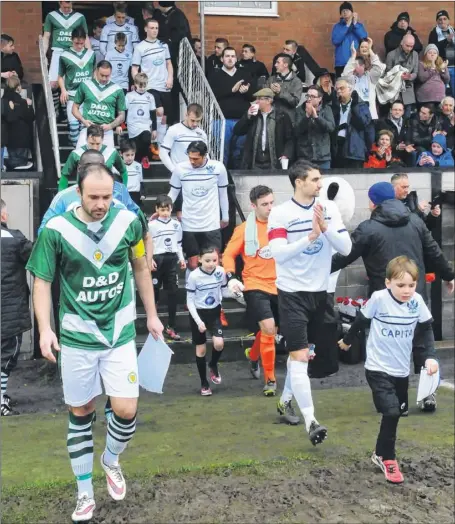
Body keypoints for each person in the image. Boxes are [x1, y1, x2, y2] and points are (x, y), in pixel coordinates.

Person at [26, 163, 163, 522]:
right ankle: (84, 493)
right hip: (76, 337)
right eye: (94, 197)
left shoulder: (128, 222)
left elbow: (139, 268)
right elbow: (41, 281)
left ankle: (111, 460)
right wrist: (45, 328)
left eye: (107, 196)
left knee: (126, 409)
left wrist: (151, 314)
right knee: (81, 411)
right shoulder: (55, 230)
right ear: (78, 192)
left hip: (118, 333)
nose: (101, 203)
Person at [331, 181, 454, 412]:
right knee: (422, 344)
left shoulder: (368, 228)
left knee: (387, 347)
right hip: (414, 293)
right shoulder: (416, 221)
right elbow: (434, 251)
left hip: (384, 298)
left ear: (371, 203)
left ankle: (393, 398)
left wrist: (312, 272)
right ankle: (427, 394)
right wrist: (449, 275)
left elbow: (343, 257)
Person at [268, 160, 352, 440]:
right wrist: (310, 236)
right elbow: (278, 253)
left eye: (320, 178)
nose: (320, 184)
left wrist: (325, 229)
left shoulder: (328, 208)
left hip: (321, 295)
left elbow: (347, 247)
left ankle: (286, 397)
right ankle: (311, 421)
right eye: (315, 179)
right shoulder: (280, 214)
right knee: (300, 355)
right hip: (292, 294)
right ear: (298, 182)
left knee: (319, 360)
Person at [339, 256, 438, 484]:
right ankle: (389, 459)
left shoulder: (417, 302)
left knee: (397, 413)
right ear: (388, 283)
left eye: (411, 285)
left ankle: (378, 454)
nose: (406, 290)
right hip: (377, 367)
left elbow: (426, 329)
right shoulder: (379, 299)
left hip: (401, 370)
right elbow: (361, 320)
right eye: (400, 285)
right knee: (391, 412)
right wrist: (347, 340)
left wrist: (430, 357)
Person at [223, 186, 279, 397]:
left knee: (270, 331)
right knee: (268, 326)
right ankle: (271, 379)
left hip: (281, 284)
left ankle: (253, 356)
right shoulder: (244, 229)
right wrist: (230, 276)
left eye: (272, 202)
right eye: (265, 204)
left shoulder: (281, 225)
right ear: (253, 206)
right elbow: (228, 255)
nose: (270, 208)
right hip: (254, 285)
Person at [168, 141, 229, 273]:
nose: (192, 161)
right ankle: (192, 292)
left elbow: (223, 194)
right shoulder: (180, 169)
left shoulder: (218, 168)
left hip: (211, 223)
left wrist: (225, 216)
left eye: (196, 158)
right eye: (190, 158)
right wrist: (162, 211)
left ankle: (215, 291)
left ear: (204, 156)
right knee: (194, 265)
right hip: (189, 224)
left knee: (213, 262)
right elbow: (172, 193)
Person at [1, 199, 33, 416]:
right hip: (8, 310)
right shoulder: (15, 239)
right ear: (3, 216)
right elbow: (37, 257)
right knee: (6, 355)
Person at [186, 246, 227, 396]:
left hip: (214, 312)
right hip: (198, 314)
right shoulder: (194, 276)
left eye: (214, 260)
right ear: (200, 260)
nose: (211, 264)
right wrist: (198, 321)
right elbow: (189, 301)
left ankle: (213, 365)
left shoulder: (220, 272)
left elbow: (224, 291)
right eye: (207, 260)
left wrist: (236, 292)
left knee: (219, 343)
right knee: (201, 349)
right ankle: (204, 383)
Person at [43, 2, 90, 118]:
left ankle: (67, 111)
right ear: (59, 2)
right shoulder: (51, 16)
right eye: (64, 6)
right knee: (53, 84)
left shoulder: (79, 17)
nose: (67, 8)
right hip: (58, 51)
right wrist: (43, 54)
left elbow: (86, 37)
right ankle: (55, 112)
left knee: (71, 83)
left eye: (69, 6)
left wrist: (89, 54)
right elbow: (46, 36)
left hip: (73, 52)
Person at [149, 194, 186, 342]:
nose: (165, 213)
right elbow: (147, 244)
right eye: (162, 209)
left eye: (167, 209)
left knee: (173, 293)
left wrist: (181, 259)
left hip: (171, 260)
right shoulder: (151, 225)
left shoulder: (176, 225)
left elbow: (178, 243)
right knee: (155, 292)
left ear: (171, 209)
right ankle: (153, 324)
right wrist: (150, 259)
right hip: (157, 260)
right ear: (157, 209)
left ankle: (171, 326)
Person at [132, 18, 173, 149]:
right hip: (150, 86)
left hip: (164, 85)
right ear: (146, 29)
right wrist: (139, 83)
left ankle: (160, 147)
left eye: (156, 28)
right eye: (152, 28)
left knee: (165, 117)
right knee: (158, 112)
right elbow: (134, 68)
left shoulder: (163, 45)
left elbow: (169, 63)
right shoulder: (140, 47)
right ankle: (152, 143)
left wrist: (170, 78)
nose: (154, 30)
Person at [208, 47, 252, 165]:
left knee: (239, 152)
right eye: (227, 56)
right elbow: (211, 96)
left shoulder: (245, 74)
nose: (230, 59)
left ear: (236, 59)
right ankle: (223, 181)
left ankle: (235, 181)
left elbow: (253, 96)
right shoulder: (214, 75)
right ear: (222, 59)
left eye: (233, 56)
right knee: (222, 153)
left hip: (242, 120)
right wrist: (231, 90)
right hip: (221, 121)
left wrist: (246, 91)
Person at [233, 87, 294, 170]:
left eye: (260, 99)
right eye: (256, 99)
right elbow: (237, 131)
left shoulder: (282, 116)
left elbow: (290, 139)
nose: (256, 101)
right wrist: (247, 116)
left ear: (269, 101)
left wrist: (286, 154)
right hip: (255, 162)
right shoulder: (252, 116)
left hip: (274, 162)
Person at [72, 60, 126, 148]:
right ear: (96, 71)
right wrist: (83, 121)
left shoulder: (117, 89)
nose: (104, 78)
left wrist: (110, 126)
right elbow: (74, 108)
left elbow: (122, 115)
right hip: (88, 129)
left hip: (106, 131)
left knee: (107, 161)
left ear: (111, 73)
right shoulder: (85, 85)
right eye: (102, 75)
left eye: (107, 76)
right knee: (80, 158)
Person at [58, 27, 96, 147]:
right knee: (74, 126)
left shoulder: (91, 54)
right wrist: (63, 90)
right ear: (71, 40)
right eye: (76, 43)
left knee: (84, 126)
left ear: (85, 40)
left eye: (81, 43)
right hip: (72, 95)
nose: (79, 46)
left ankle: (79, 151)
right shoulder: (65, 55)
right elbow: (60, 76)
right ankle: (75, 148)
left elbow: (95, 72)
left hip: (87, 95)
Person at [59, 125, 127, 190]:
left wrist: (124, 190)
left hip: (105, 194)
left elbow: (123, 171)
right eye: (91, 143)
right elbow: (65, 175)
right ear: (86, 139)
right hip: (83, 196)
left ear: (102, 139)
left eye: (98, 144)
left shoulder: (112, 152)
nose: (95, 147)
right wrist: (61, 194)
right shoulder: (76, 154)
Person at [333, 77, 374, 168]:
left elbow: (364, 125)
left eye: (342, 88)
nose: (339, 91)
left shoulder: (361, 106)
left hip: (354, 150)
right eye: (337, 89)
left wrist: (354, 107)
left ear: (350, 89)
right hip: (336, 150)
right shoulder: (333, 106)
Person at [342, 38, 385, 120]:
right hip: (355, 116)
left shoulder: (370, 76)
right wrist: (353, 55)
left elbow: (378, 69)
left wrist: (370, 50)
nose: (353, 67)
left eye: (355, 65)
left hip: (370, 114)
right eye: (362, 47)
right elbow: (345, 75)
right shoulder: (352, 78)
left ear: (363, 66)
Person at [295, 84, 335, 169]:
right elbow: (296, 131)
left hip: (323, 157)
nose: (309, 99)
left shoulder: (327, 109)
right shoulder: (299, 110)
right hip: (304, 157)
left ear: (320, 98)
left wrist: (316, 117)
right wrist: (307, 116)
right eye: (307, 96)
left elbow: (331, 128)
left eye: (312, 96)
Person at [159, 103, 207, 173]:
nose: (195, 124)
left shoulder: (202, 133)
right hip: (180, 173)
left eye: (198, 121)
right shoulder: (174, 129)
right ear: (186, 115)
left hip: (198, 174)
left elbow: (205, 155)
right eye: (193, 120)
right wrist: (173, 170)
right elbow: (163, 152)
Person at [124, 72, 157, 168]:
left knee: (146, 138)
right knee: (136, 146)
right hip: (133, 124)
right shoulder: (129, 96)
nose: (142, 88)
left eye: (144, 85)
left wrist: (154, 129)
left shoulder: (150, 97)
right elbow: (125, 110)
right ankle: (138, 162)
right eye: (140, 85)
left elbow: (153, 112)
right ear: (135, 84)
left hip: (145, 124)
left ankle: (145, 156)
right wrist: (122, 123)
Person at [1, 76, 35, 170]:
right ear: (18, 87)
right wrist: (30, 106)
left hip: (8, 140)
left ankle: (6, 165)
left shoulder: (3, 101)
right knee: (21, 163)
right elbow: (31, 117)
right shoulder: (23, 102)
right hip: (22, 139)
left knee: (12, 159)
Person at [385, 34, 419, 119]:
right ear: (401, 43)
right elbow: (387, 73)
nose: (409, 48)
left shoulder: (415, 54)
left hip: (408, 89)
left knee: (407, 117)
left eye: (411, 46)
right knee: (393, 116)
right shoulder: (391, 55)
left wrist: (410, 76)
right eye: (407, 46)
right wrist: (398, 74)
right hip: (394, 90)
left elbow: (416, 72)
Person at [331, 1, 367, 78]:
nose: (345, 12)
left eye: (347, 10)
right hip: (341, 63)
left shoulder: (358, 25)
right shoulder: (337, 27)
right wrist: (347, 26)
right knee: (342, 85)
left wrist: (355, 24)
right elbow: (336, 41)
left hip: (356, 62)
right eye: (343, 11)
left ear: (352, 12)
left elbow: (364, 37)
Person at [266, 54, 303, 126]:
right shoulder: (271, 79)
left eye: (278, 62)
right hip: (272, 119)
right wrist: (269, 91)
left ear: (285, 65)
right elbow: (263, 98)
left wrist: (281, 92)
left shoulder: (296, 81)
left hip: (288, 121)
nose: (275, 65)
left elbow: (295, 102)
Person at [375, 100, 413, 165]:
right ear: (390, 110)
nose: (397, 112)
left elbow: (409, 138)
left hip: (403, 151)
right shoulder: (382, 122)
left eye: (400, 110)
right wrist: (396, 147)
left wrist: (407, 145)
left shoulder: (408, 122)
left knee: (412, 153)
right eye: (395, 110)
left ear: (403, 112)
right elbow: (380, 141)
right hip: (388, 150)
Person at [428, 9, 454, 97]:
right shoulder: (433, 33)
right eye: (440, 19)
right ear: (437, 21)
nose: (442, 21)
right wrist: (446, 41)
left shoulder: (453, 31)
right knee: (442, 93)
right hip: (440, 68)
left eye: (444, 18)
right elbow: (432, 49)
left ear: (448, 20)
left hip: (454, 66)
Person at [120, 139, 144, 205]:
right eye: (127, 155)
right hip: (124, 193)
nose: (130, 158)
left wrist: (142, 194)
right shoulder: (118, 166)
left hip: (136, 194)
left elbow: (141, 181)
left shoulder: (138, 166)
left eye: (132, 155)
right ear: (121, 154)